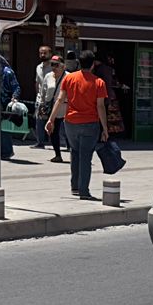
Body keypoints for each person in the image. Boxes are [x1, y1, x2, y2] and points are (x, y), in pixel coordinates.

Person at [48, 51, 110, 199]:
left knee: (74, 153)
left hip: (70, 123)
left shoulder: (69, 79)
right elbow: (100, 107)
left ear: (79, 63)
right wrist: (105, 128)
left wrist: (51, 119)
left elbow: (60, 99)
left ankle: (74, 186)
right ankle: (84, 190)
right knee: (85, 157)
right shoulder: (99, 83)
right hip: (90, 124)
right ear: (93, 64)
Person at [35, 55, 65, 160]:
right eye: (52, 64)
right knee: (53, 131)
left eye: (56, 65)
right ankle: (57, 154)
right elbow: (42, 92)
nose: (54, 67)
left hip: (66, 108)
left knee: (68, 132)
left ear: (63, 66)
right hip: (52, 108)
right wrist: (41, 105)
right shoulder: (48, 76)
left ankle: (72, 150)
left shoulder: (69, 77)